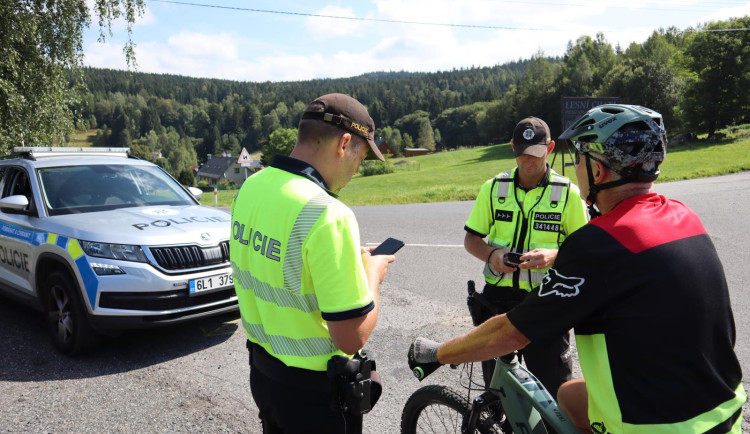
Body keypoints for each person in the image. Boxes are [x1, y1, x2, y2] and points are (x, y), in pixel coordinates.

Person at [409, 104, 746, 433]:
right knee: (568, 395)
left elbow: (512, 332)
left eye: (578, 160)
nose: (575, 168)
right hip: (721, 406)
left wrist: (437, 353)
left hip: (653, 425)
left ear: (597, 171)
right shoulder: (684, 217)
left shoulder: (599, 242)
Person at [230, 93, 395, 434]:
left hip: (264, 376)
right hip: (316, 398)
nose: (356, 169)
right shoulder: (328, 214)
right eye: (360, 157)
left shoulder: (251, 187)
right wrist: (372, 274)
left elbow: (284, 261)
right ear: (344, 143)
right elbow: (351, 337)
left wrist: (341, 261)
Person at [463, 116, 587, 397]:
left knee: (553, 394)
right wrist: (492, 255)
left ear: (551, 148)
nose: (528, 162)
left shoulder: (567, 194)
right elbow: (471, 240)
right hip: (496, 302)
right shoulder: (493, 189)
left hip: (546, 301)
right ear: (512, 148)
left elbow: (585, 248)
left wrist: (554, 255)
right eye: (522, 154)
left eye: (535, 154)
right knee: (499, 393)